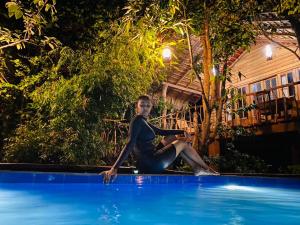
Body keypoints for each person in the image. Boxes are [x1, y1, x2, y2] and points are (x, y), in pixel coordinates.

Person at [101, 95, 218, 183]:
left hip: (147, 160)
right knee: (182, 143)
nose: (145, 108)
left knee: (172, 138)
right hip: (150, 162)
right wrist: (114, 168)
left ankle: (197, 168)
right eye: (142, 105)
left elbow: (162, 132)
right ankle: (207, 169)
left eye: (148, 106)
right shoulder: (137, 121)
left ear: (151, 107)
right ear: (137, 106)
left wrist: (182, 131)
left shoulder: (143, 121)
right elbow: (130, 144)